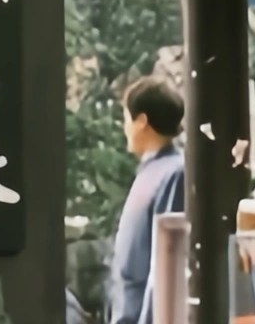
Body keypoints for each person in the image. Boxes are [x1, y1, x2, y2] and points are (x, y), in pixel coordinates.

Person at [107, 77, 187, 324]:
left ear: (141, 121)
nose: (125, 128)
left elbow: (165, 261)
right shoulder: (152, 171)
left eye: (126, 119)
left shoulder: (175, 173)